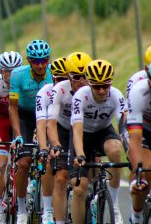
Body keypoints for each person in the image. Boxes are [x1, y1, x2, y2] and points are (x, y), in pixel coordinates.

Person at [70, 59, 125, 224]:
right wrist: (80, 155)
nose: (101, 90)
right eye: (96, 86)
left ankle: (114, 203)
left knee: (116, 150)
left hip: (103, 132)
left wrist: (130, 151)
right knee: (80, 189)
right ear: (89, 84)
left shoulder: (116, 95)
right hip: (83, 136)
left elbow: (124, 128)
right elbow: (77, 130)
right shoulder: (81, 96)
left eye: (105, 86)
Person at [8, 40, 52, 223]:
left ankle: (49, 208)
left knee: (50, 159)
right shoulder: (18, 75)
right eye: (35, 61)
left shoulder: (54, 74)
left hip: (47, 116)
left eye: (44, 61)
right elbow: (12, 107)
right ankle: (22, 208)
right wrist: (18, 134)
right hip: (25, 117)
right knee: (24, 162)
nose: (41, 65)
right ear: (28, 60)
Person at [45, 52, 92, 224]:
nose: (82, 81)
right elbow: (51, 123)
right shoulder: (60, 90)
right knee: (60, 177)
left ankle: (97, 199)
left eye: (85, 77)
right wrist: (55, 144)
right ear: (68, 77)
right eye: (77, 77)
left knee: (93, 168)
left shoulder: (95, 88)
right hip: (64, 130)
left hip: (86, 130)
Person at [0, 51, 22, 224]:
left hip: (19, 121)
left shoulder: (23, 82)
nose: (11, 74)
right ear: (1, 70)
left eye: (15, 70)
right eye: (7, 70)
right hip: (2, 122)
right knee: (0, 164)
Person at [126, 62, 151, 223]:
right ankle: (136, 215)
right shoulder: (138, 92)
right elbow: (135, 139)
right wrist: (139, 169)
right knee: (145, 172)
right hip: (144, 130)